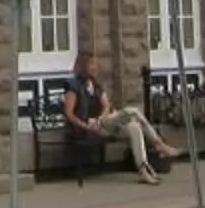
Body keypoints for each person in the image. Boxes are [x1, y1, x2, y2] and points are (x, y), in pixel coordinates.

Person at [62, 53, 169, 183]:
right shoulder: (73, 86)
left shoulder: (95, 85)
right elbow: (69, 114)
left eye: (96, 64)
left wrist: (100, 118)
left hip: (103, 122)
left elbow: (106, 105)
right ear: (83, 66)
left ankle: (144, 170)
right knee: (132, 114)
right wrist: (86, 126)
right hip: (88, 128)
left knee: (133, 125)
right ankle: (157, 145)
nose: (96, 67)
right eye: (92, 64)